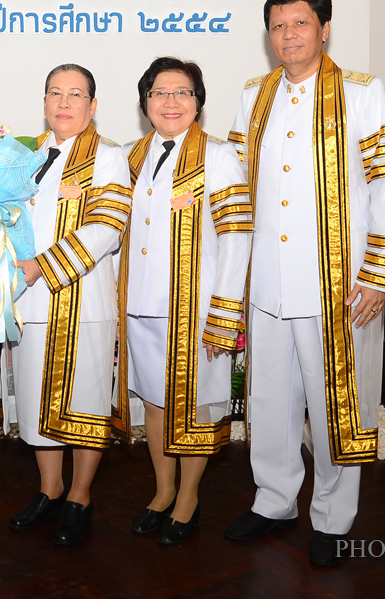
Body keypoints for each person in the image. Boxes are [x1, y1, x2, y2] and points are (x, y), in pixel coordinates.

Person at [225, 0, 385, 568]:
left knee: (336, 406)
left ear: (324, 29)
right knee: (269, 401)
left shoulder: (361, 92)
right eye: (278, 26)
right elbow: (236, 187)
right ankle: (274, 500)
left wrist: (378, 273)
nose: (288, 36)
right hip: (268, 283)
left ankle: (332, 516)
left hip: (339, 285)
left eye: (300, 23)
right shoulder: (254, 95)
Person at [120, 57, 251, 545]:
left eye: (183, 92)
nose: (170, 102)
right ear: (145, 103)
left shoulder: (219, 157)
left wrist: (224, 311)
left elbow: (237, 237)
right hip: (141, 305)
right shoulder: (130, 156)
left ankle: (189, 497)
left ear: (198, 102)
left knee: (196, 405)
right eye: (159, 92)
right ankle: (162, 491)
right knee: (155, 400)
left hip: (195, 310)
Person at [8, 63, 130, 546]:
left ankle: (80, 496)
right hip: (27, 300)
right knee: (35, 398)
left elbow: (106, 228)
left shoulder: (109, 157)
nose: (64, 102)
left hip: (82, 300)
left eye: (76, 94)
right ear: (43, 102)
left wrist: (43, 265)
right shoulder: (24, 155)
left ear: (92, 105)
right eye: (55, 93)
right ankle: (50, 489)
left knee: (85, 401)